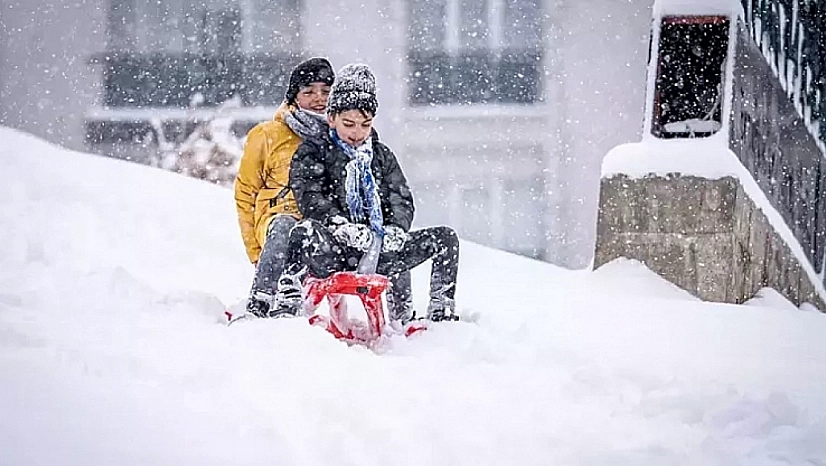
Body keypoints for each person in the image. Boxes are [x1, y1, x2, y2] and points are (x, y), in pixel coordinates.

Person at [288, 64, 460, 322]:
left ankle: (441, 312)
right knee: (301, 232)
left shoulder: (381, 156)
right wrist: (339, 224)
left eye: (364, 125)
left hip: (379, 250)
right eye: (349, 124)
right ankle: (286, 304)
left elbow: (400, 198)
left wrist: (395, 229)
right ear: (332, 118)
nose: (357, 133)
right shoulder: (314, 151)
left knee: (445, 238)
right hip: (335, 249)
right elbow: (310, 195)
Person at [233, 57, 335, 318]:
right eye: (309, 91)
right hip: (276, 222)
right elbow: (246, 193)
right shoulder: (267, 134)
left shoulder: (340, 135)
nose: (318, 98)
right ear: (294, 96)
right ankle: (261, 302)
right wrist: (256, 252)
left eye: (325, 91)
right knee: (285, 225)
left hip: (319, 224)